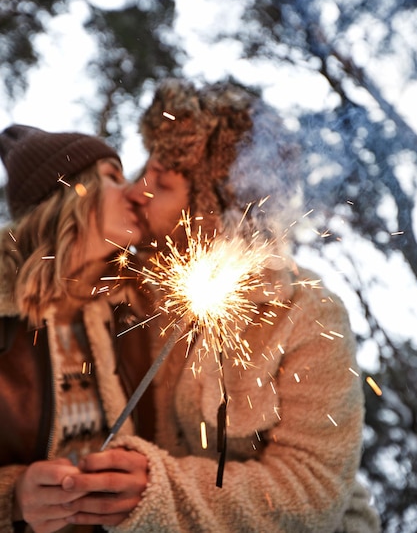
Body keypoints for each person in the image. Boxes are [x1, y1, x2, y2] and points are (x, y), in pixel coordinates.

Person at [74, 77, 379, 533]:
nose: (138, 192)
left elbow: (313, 491)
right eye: (143, 172)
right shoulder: (134, 289)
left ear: (210, 211)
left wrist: (161, 489)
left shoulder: (307, 314)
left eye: (161, 183)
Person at [0, 124, 156, 533]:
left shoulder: (137, 310)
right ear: (69, 194)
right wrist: (12, 498)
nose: (137, 193)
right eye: (111, 177)